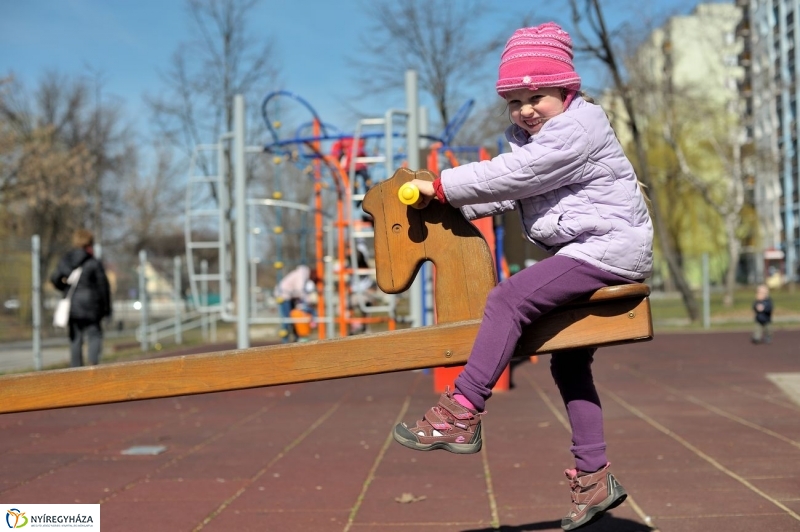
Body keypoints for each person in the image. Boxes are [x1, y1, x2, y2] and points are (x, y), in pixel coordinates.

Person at [391, 23, 653, 531]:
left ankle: (461, 411)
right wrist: (448, 209)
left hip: (606, 248)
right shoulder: (533, 140)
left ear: (566, 91)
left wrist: (441, 185)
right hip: (586, 247)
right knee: (568, 365)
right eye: (515, 100)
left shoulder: (578, 128)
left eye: (538, 96)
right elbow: (509, 192)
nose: (526, 109)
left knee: (508, 299)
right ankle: (595, 477)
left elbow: (516, 176)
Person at [50, 229, 112, 367]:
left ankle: (76, 370)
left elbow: (55, 278)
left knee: (75, 338)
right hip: (92, 305)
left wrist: (64, 286)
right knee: (94, 335)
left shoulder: (66, 260)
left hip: (73, 305)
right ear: (90, 243)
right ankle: (92, 366)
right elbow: (103, 287)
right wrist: (107, 309)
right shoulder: (93, 262)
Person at [274, 265, 317, 343]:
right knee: (287, 318)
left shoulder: (303, 274)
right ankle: (286, 340)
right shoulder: (302, 275)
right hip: (283, 295)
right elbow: (300, 290)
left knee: (294, 317)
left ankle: (296, 337)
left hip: (290, 296)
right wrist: (308, 300)